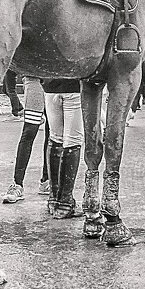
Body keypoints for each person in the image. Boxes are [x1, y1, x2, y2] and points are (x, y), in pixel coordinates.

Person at [3, 77, 52, 203]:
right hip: (34, 80)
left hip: (55, 83)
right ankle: (17, 184)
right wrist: (12, 93)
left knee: (52, 134)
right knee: (29, 132)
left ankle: (47, 180)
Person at [44, 78, 86, 219]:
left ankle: (54, 199)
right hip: (74, 87)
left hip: (50, 88)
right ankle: (65, 203)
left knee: (55, 138)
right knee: (73, 141)